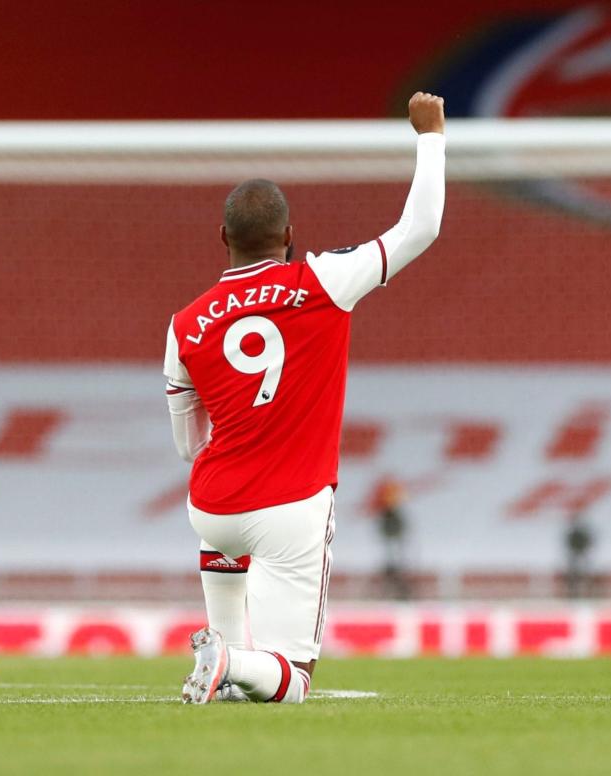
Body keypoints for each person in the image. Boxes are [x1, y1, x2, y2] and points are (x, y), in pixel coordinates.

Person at [164, 92, 446, 704]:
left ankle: (223, 652)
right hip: (290, 505)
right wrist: (430, 136)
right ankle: (232, 658)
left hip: (213, 507)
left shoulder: (184, 323)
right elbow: (420, 228)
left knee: (225, 561)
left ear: (223, 238)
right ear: (289, 235)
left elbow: (188, 442)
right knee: (291, 682)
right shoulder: (322, 279)